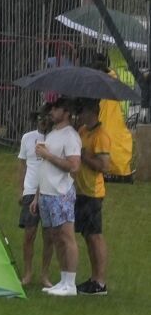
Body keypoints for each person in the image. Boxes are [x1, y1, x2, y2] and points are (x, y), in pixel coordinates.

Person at [34, 97, 84, 297]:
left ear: (66, 112)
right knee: (55, 237)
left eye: (56, 109)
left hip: (60, 193)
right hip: (47, 193)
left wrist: (48, 156)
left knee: (66, 237)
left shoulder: (70, 136)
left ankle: (70, 283)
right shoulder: (53, 133)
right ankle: (63, 280)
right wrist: (38, 195)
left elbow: (74, 166)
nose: (51, 112)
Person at [73, 98, 111, 296]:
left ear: (93, 112)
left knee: (95, 236)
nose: (81, 115)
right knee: (87, 236)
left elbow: (104, 166)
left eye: (84, 112)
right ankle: (93, 278)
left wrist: (84, 156)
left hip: (93, 193)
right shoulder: (83, 131)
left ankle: (100, 281)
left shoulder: (101, 136)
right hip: (80, 191)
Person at [16, 107, 53, 288]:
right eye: (40, 118)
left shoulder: (54, 139)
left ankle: (44, 274)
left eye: (46, 118)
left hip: (48, 190)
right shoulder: (27, 138)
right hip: (30, 190)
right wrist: (20, 190)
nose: (43, 121)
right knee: (29, 235)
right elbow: (22, 165)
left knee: (49, 236)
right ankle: (28, 272)